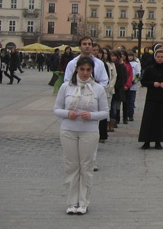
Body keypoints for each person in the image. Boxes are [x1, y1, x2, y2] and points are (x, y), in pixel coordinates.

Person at [53, 57, 109, 215]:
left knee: (86, 166)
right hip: (68, 130)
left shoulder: (98, 89)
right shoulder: (66, 87)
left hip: (89, 131)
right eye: (82, 69)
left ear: (92, 71)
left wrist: (91, 115)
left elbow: (105, 112)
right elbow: (57, 109)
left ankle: (83, 201)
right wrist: (67, 113)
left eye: (88, 70)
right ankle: (72, 202)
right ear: (76, 69)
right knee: (71, 166)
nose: (85, 73)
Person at [138, 49, 163, 150]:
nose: (160, 59)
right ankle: (146, 141)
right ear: (155, 57)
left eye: (161, 57)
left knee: (161, 120)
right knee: (149, 120)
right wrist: (152, 84)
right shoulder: (149, 69)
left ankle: (158, 141)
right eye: (158, 57)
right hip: (152, 97)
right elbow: (143, 81)